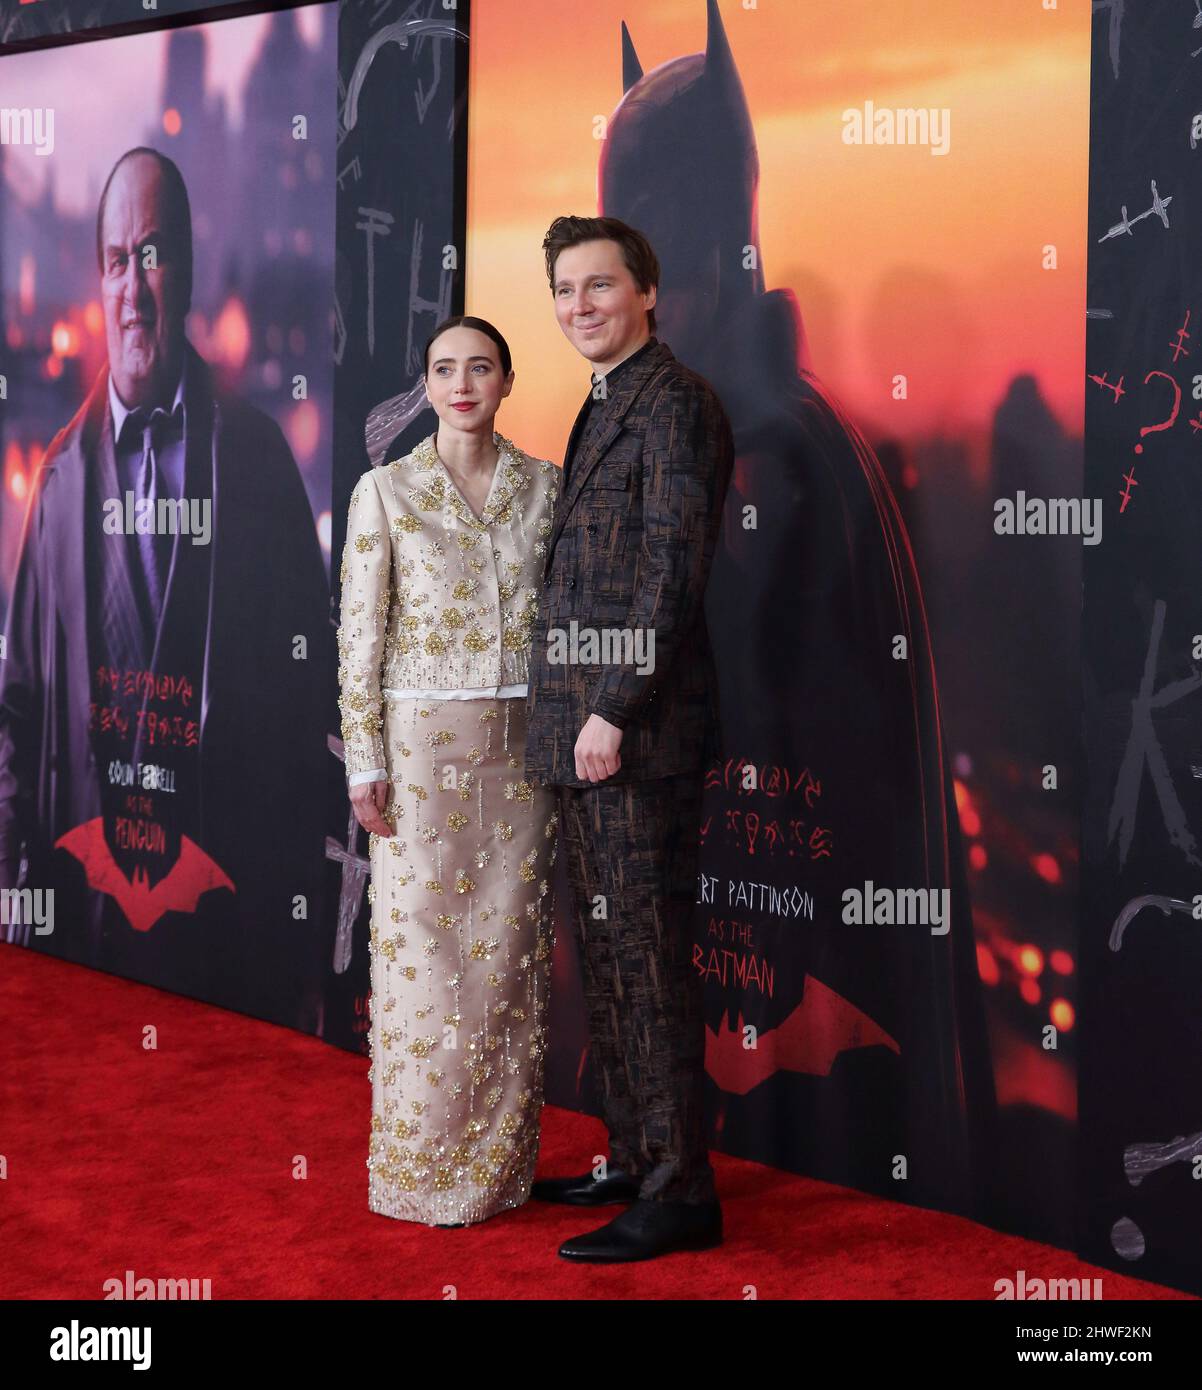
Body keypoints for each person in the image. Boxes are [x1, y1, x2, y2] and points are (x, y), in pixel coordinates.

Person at [0, 146, 327, 1030]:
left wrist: (309, 931)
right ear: (97, 279)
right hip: (92, 921)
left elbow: (314, 701)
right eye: (116, 260)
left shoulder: (259, 463)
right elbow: (18, 713)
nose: (134, 286)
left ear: (184, 269)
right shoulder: (60, 481)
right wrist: (14, 897)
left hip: (235, 922)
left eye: (153, 255)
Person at [524, 215, 734, 1261]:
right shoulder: (603, 401)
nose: (579, 307)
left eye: (597, 286)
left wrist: (611, 707)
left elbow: (669, 576)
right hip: (577, 735)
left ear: (645, 290)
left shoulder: (678, 403)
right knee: (607, 959)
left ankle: (679, 1190)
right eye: (563, 291)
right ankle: (627, 1152)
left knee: (648, 965)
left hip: (634, 738)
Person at [337, 316, 560, 1225]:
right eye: (443, 369)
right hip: (421, 753)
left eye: (480, 368)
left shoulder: (546, 487)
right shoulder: (385, 490)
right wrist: (365, 764)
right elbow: (360, 639)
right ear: (424, 386)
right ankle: (420, 1174)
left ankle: (499, 1174)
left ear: (508, 379)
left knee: (508, 959)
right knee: (421, 960)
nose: (462, 384)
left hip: (522, 755)